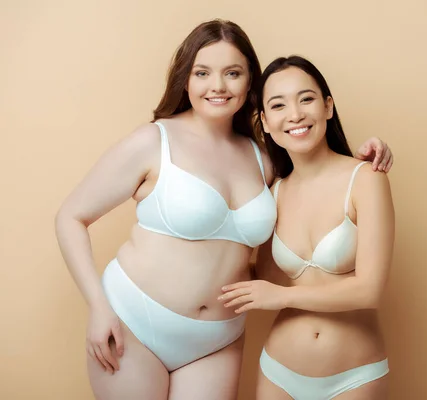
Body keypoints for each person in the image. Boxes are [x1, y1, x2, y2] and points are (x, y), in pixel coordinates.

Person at [54, 20, 393, 400]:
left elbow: (315, 180)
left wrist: (367, 155)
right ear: (186, 80)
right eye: (203, 73)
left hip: (217, 340)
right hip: (135, 324)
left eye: (232, 73)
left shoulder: (264, 160)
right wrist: (99, 308)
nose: (218, 86)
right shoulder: (153, 141)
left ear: (250, 85)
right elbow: (71, 217)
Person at [219, 55, 395, 400]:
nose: (295, 114)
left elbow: (369, 290)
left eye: (307, 99)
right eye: (279, 105)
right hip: (278, 372)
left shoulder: (365, 179)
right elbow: (266, 276)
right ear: (266, 123)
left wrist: (283, 297)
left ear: (328, 107)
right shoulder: (274, 193)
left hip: (354, 377)